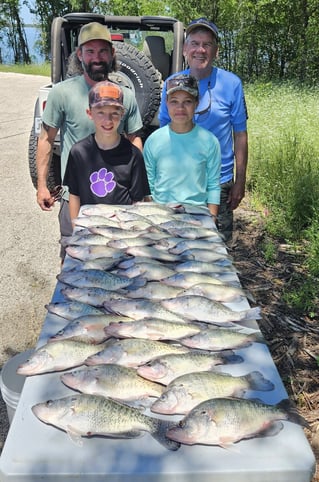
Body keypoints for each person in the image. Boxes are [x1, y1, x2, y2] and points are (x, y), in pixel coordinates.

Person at [36, 22, 143, 259]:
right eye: (90, 51)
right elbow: (46, 139)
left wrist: (139, 189)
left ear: (112, 54)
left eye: (103, 51)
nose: (97, 57)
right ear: (79, 54)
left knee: (120, 258)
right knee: (74, 257)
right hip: (75, 196)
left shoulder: (125, 96)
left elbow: (135, 140)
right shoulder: (61, 93)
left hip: (117, 199)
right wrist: (42, 185)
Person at [159, 17, 248, 242]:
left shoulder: (232, 84)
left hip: (219, 182)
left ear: (216, 51)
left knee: (217, 250)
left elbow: (240, 133)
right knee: (176, 247)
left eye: (207, 44)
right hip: (180, 181)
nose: (200, 50)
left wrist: (240, 180)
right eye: (195, 43)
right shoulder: (171, 84)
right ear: (184, 49)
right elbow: (163, 133)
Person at [63, 80, 150, 225]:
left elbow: (137, 200)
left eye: (114, 113)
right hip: (89, 226)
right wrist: (75, 228)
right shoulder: (79, 152)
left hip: (121, 228)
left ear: (123, 114)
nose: (108, 120)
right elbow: (74, 194)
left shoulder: (133, 155)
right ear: (89, 113)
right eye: (101, 112)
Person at [144, 74, 221, 220]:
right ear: (166, 103)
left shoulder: (209, 141)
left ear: (197, 103)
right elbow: (149, 183)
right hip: (161, 212)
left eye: (187, 102)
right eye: (174, 101)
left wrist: (212, 217)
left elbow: (213, 184)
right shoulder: (154, 140)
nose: (180, 108)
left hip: (197, 213)